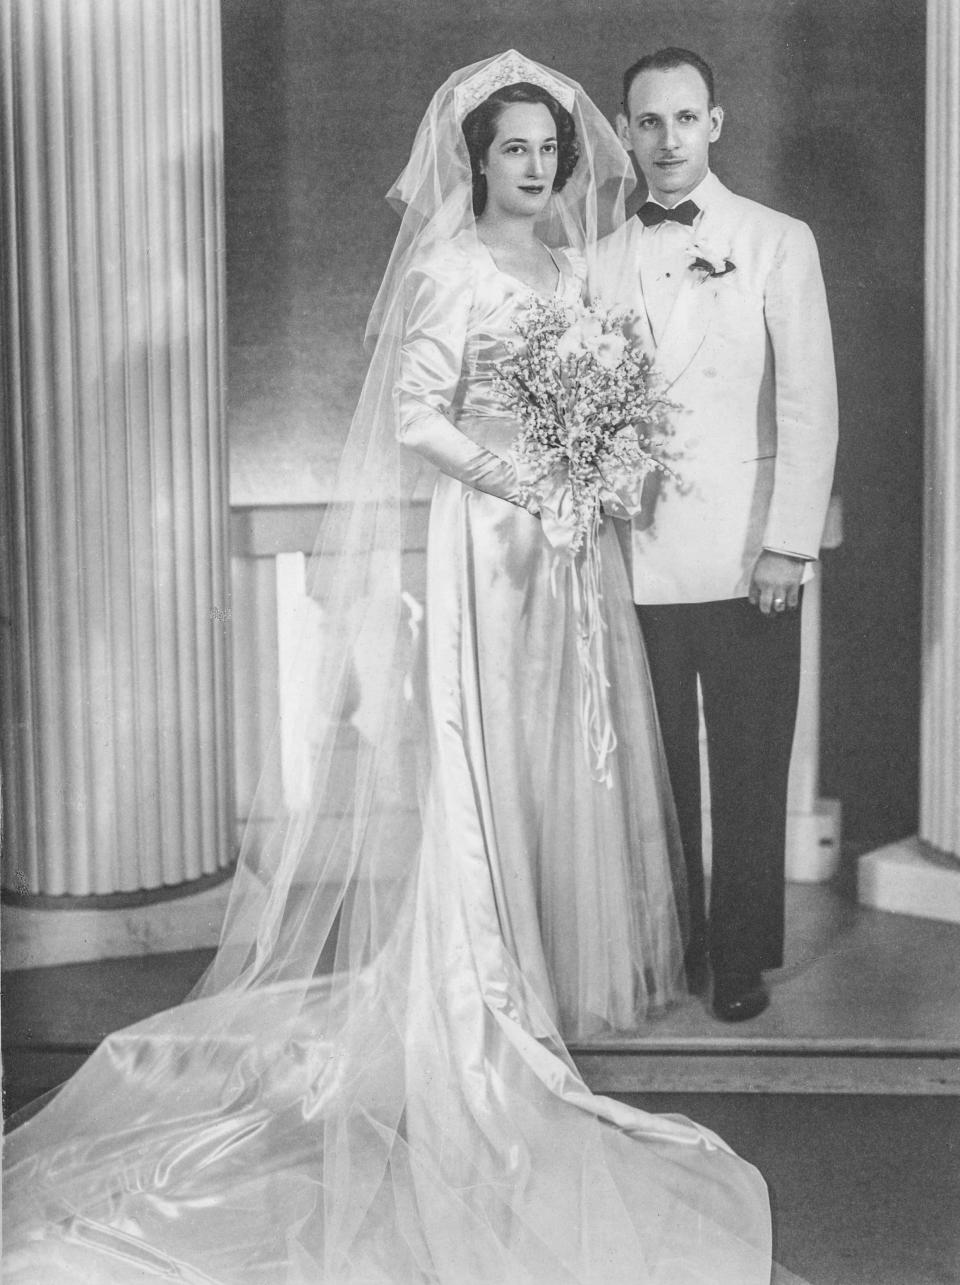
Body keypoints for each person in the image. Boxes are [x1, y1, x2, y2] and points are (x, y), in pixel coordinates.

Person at [3, 53, 778, 1285]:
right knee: (484, 761)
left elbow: (610, 394)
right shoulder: (450, 265)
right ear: (474, 158)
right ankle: (480, 989)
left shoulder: (572, 264)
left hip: (565, 544)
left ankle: (540, 976)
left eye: (545, 148)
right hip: (488, 541)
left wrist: (598, 465)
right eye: (511, 147)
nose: (533, 165)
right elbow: (422, 415)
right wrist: (531, 476)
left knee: (557, 755)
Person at [591, 47, 838, 1022]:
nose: (666, 140)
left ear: (717, 124)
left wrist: (790, 542)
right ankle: (672, 947)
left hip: (750, 555)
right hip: (637, 558)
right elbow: (590, 409)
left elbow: (811, 403)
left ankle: (738, 959)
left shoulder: (778, 240)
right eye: (646, 123)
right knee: (655, 775)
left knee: (746, 762)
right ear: (624, 133)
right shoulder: (596, 260)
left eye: (684, 119)